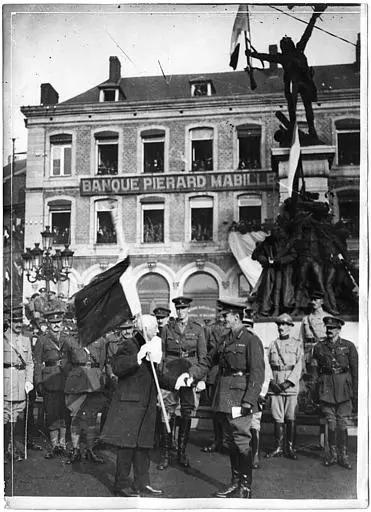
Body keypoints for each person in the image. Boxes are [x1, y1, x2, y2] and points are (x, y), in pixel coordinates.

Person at [184, 299, 265, 499]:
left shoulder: (251, 340)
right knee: (230, 440)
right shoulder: (224, 339)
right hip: (225, 396)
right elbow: (208, 360)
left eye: (225, 315)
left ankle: (245, 486)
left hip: (241, 397)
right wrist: (192, 374)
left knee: (241, 439)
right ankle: (235, 482)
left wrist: (249, 400)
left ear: (236, 317)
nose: (222, 318)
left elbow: (257, 373)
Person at [101, 315, 164, 497]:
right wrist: (138, 357)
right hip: (130, 404)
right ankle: (120, 485)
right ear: (145, 329)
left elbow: (157, 376)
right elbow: (118, 367)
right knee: (127, 447)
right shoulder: (130, 345)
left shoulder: (152, 346)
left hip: (146, 403)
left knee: (143, 446)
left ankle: (142, 484)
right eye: (154, 328)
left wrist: (179, 382)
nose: (158, 331)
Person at [246, 5, 327, 138]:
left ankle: (309, 129)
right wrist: (252, 55)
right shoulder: (294, 52)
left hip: (301, 83)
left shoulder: (292, 53)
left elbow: (307, 34)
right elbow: (267, 56)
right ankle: (305, 128)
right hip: (297, 84)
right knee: (299, 107)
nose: (286, 43)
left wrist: (251, 55)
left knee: (299, 107)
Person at [159, 296, 207, 468]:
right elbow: (162, 355)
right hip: (171, 375)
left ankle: (181, 453)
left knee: (186, 412)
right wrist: (162, 375)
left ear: (188, 310)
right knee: (167, 412)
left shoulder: (198, 329)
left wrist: (201, 379)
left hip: (189, 375)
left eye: (183, 308)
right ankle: (165, 454)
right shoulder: (167, 329)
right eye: (178, 309)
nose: (180, 311)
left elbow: (203, 358)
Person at [311, 316, 358, 469]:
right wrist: (315, 391)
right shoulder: (319, 347)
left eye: (332, 328)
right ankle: (332, 455)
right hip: (326, 388)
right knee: (331, 422)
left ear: (339, 329)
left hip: (344, 387)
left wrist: (356, 392)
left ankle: (343, 456)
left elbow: (356, 371)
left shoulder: (349, 346)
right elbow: (315, 371)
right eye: (328, 328)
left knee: (342, 422)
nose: (329, 330)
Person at [63, 328, 108, 464]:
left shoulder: (101, 341)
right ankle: (76, 450)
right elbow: (65, 363)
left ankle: (90, 450)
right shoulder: (70, 341)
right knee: (75, 417)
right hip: (76, 383)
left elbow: (101, 363)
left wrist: (94, 375)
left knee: (92, 418)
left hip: (94, 383)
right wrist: (74, 376)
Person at [34, 311, 71, 458]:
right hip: (50, 380)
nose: (56, 325)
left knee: (65, 411)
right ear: (49, 324)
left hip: (66, 379)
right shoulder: (42, 340)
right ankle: (54, 443)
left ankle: (62, 442)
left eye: (59, 322)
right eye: (53, 323)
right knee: (52, 411)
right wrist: (38, 381)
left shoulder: (68, 339)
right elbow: (37, 362)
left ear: (62, 323)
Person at [266, 313, 302, 460]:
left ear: (290, 327)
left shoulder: (297, 344)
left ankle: (290, 448)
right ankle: (278, 447)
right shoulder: (272, 345)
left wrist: (287, 383)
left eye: (285, 325)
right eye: (279, 325)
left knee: (290, 417)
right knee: (277, 418)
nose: (281, 327)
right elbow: (266, 365)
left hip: (290, 387)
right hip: (275, 387)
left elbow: (300, 366)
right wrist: (271, 382)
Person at [4, 306, 34, 463]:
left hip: (20, 381)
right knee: (3, 417)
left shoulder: (26, 340)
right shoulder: (2, 339)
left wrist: (29, 380)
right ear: (8, 322)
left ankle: (9, 448)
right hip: (5, 381)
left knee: (15, 416)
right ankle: (3, 450)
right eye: (14, 322)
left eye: (19, 322)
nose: (18, 325)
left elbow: (29, 363)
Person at [242, 306, 270, 469]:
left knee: (254, 423)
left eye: (249, 328)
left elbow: (265, 373)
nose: (247, 332)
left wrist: (262, 393)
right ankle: (243, 454)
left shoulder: (258, 346)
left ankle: (254, 455)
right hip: (239, 391)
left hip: (254, 392)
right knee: (240, 423)